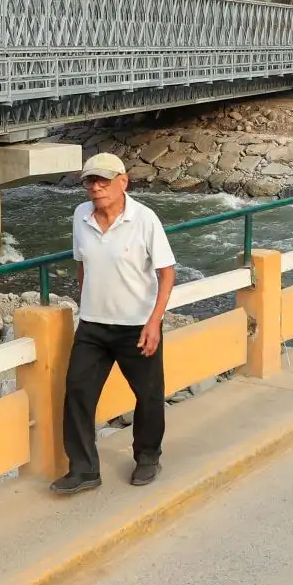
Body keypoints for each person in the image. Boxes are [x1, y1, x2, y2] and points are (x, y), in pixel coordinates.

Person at [50, 152, 177, 495]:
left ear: (124, 182)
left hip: (137, 325)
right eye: (90, 181)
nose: (96, 187)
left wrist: (154, 321)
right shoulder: (80, 216)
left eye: (104, 180)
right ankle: (83, 469)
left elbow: (167, 273)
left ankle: (148, 457)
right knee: (77, 391)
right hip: (92, 324)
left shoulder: (145, 219)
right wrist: (87, 301)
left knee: (148, 395)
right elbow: (82, 265)